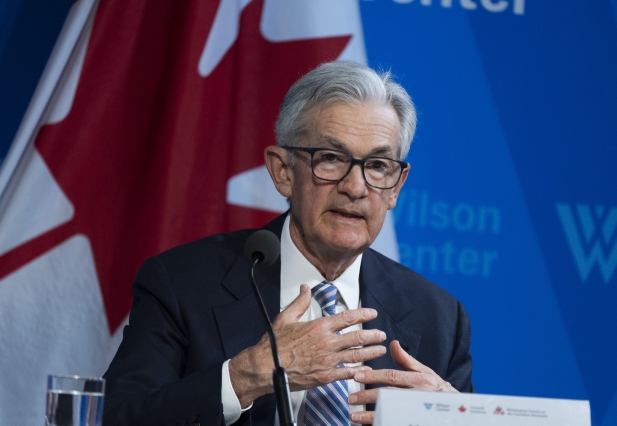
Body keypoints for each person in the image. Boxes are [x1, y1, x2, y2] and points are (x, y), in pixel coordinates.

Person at [103, 61, 473, 426]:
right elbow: (119, 417)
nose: (356, 187)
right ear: (283, 171)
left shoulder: (439, 317)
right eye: (330, 159)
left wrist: (459, 420)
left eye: (377, 165)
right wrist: (246, 376)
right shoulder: (182, 283)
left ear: (396, 186)